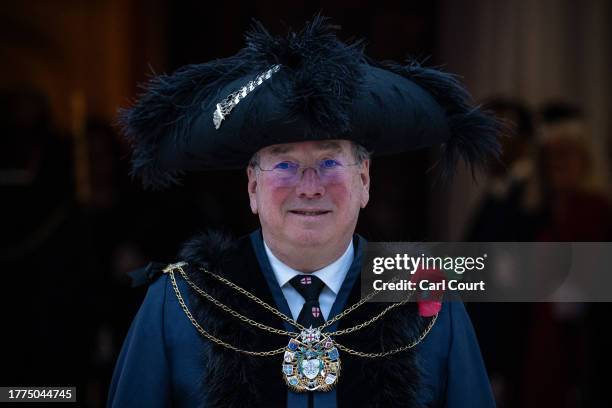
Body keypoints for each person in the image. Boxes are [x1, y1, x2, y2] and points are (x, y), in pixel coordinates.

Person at [108, 16, 499, 407]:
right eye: (284, 165)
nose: (310, 186)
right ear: (253, 186)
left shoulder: (428, 302)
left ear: (364, 180)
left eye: (330, 162)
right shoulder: (180, 303)